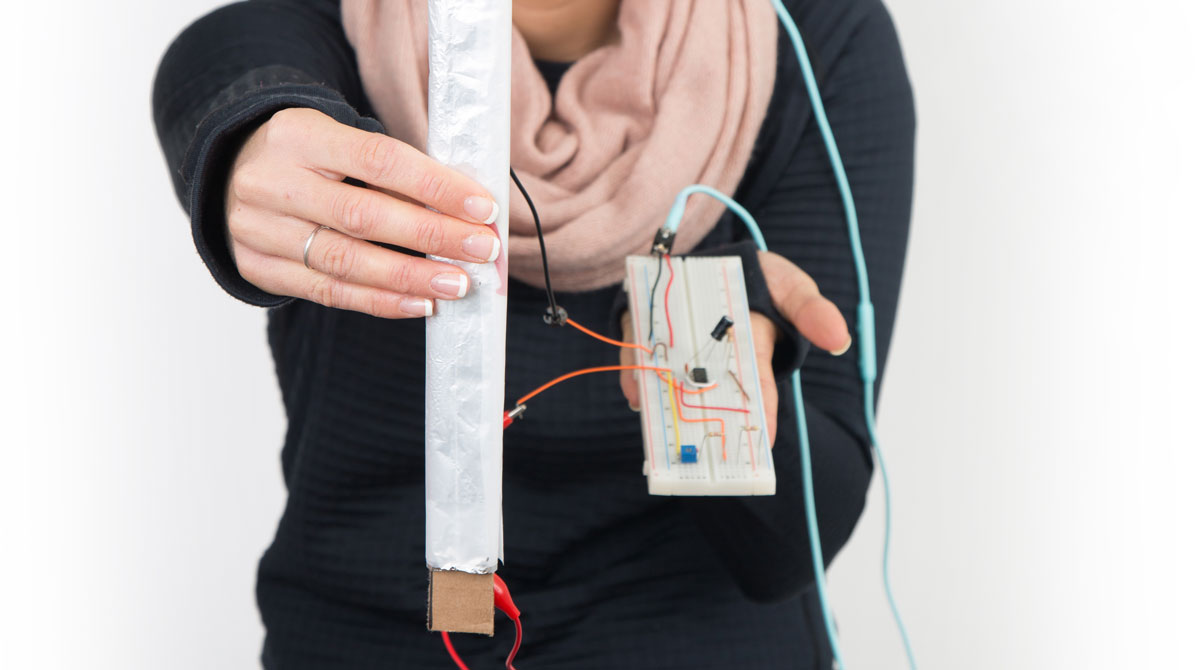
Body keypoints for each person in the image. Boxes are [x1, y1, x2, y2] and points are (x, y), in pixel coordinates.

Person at [152, 0, 914, 667]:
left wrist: (711, 373)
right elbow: (223, 55)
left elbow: (792, 548)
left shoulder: (812, 37)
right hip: (359, 640)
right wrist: (244, 140)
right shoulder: (338, 25)